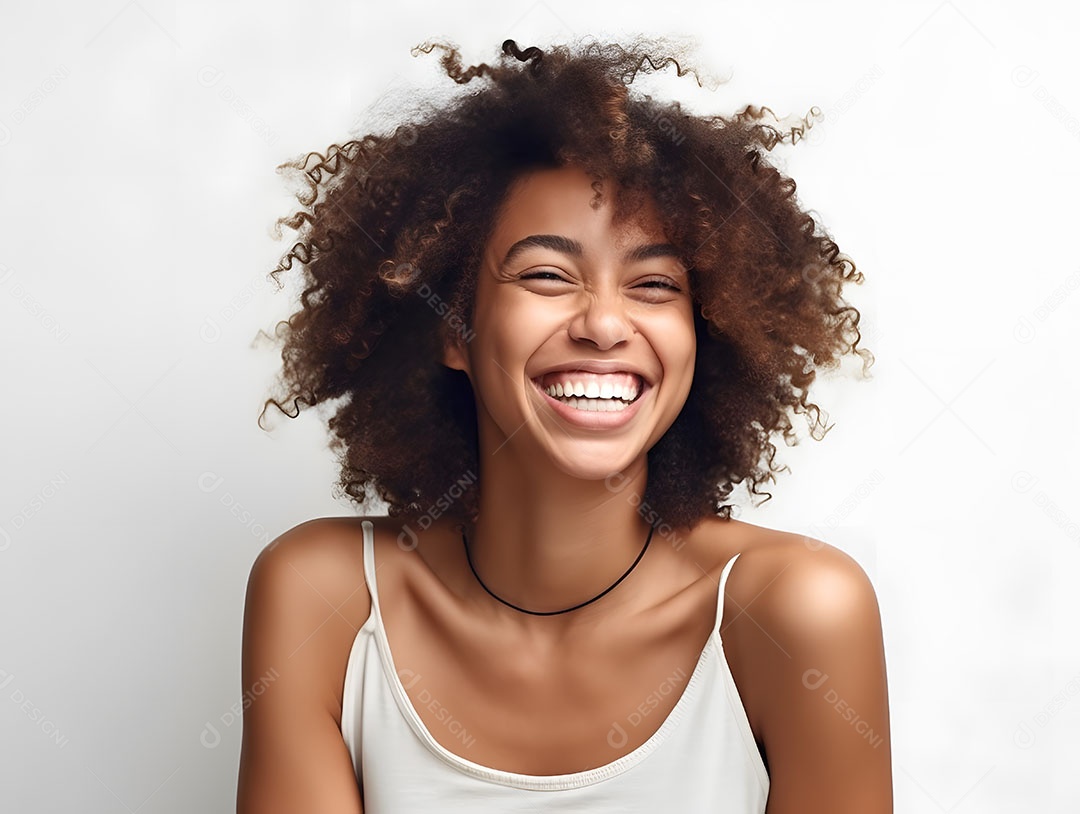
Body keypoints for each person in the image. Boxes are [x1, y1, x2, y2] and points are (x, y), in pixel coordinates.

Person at [236, 36, 891, 813]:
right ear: (453, 328)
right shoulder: (328, 599)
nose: (607, 324)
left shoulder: (793, 612)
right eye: (547, 275)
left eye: (654, 284)